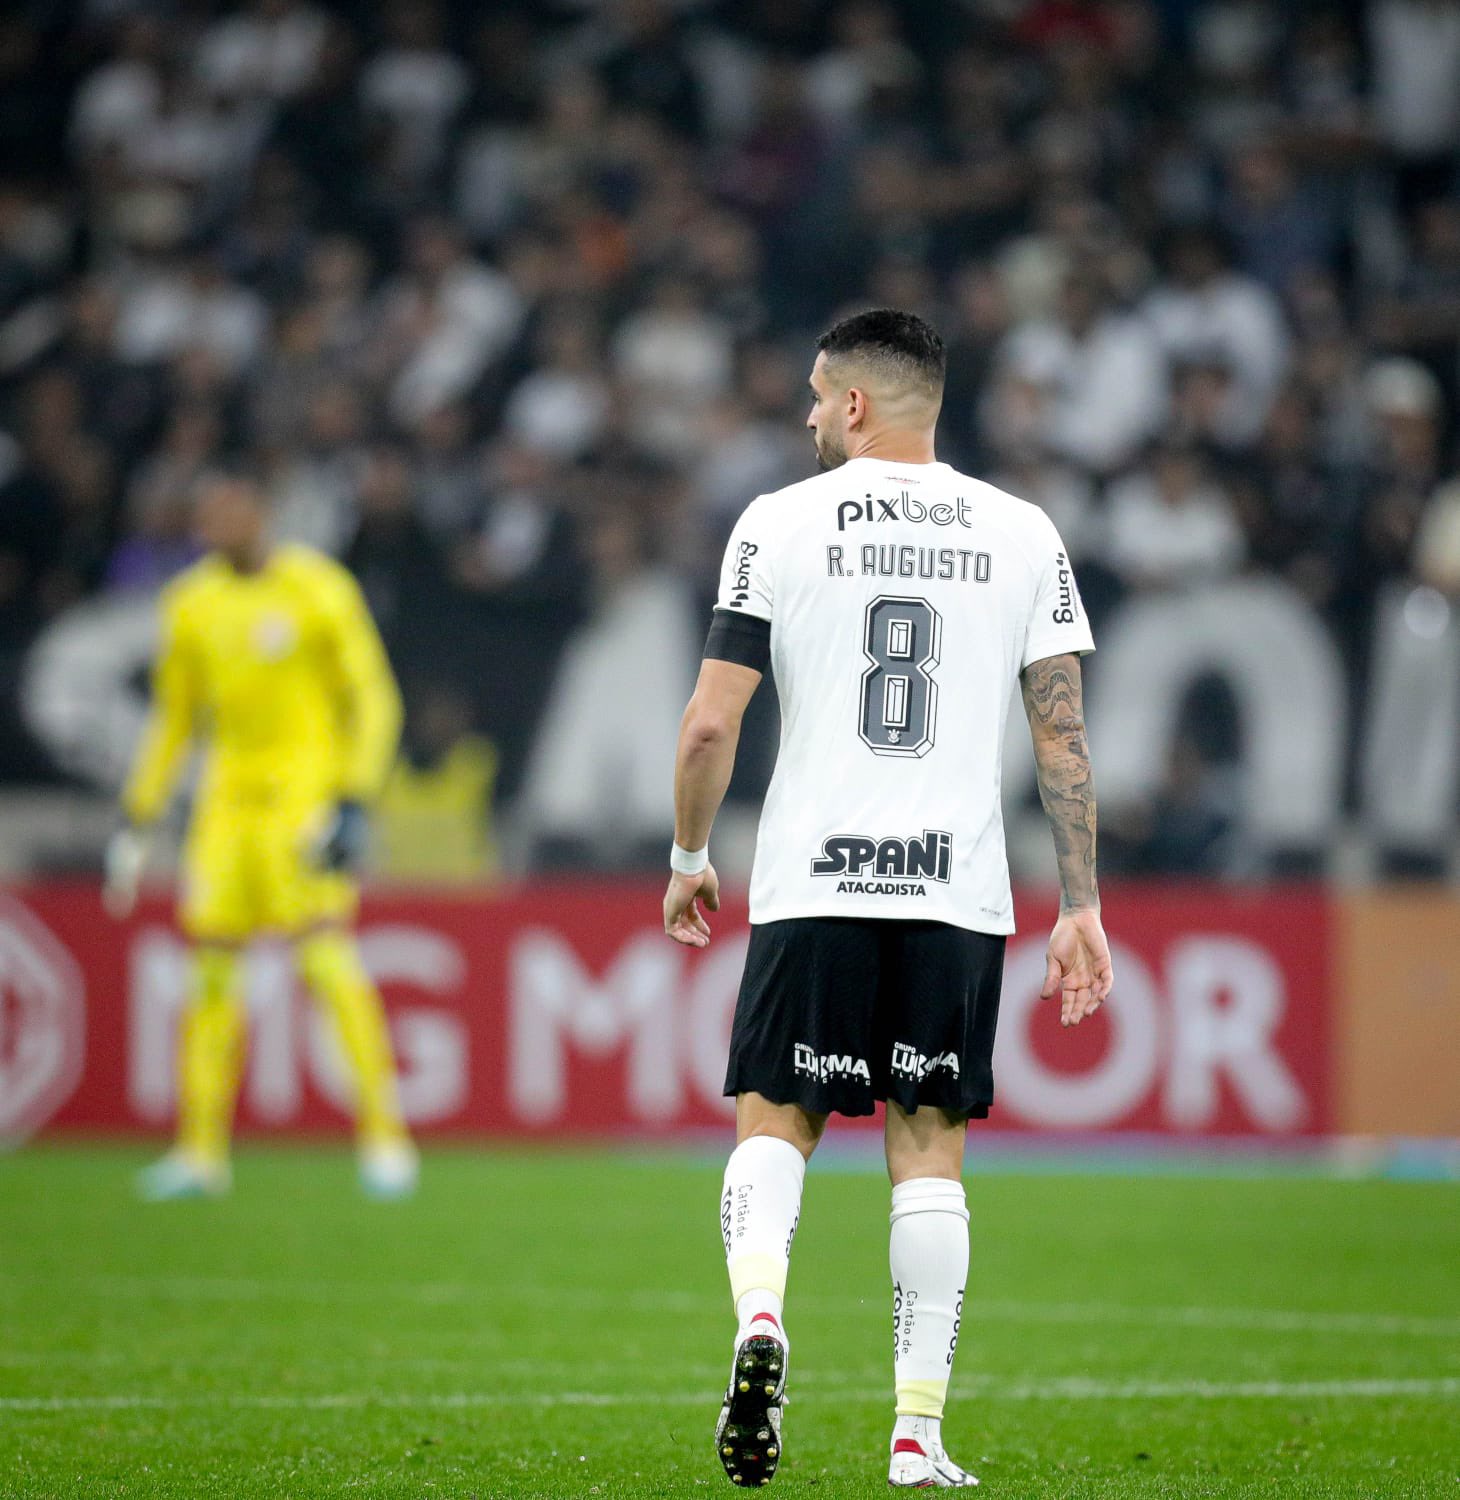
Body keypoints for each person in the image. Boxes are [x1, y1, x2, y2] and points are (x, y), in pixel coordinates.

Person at [662, 309, 1113, 1489]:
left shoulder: (775, 522)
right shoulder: (1023, 532)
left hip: (814, 878)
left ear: (855, 403)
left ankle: (760, 1319)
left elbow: (712, 719)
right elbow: (1059, 737)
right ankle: (916, 1435)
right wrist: (1081, 906)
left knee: (776, 1123)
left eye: (817, 396)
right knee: (927, 1155)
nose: (809, 416)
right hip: (952, 893)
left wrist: (686, 853)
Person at [104, 469, 418, 1202]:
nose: (218, 528)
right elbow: (174, 718)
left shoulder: (317, 589)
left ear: (262, 515)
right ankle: (200, 1152)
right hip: (225, 810)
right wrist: (139, 810)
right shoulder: (191, 604)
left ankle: (384, 1138)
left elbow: (371, 696)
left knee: (325, 962)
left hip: (302, 802)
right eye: (208, 517)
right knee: (211, 976)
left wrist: (353, 798)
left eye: (232, 512)